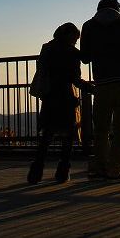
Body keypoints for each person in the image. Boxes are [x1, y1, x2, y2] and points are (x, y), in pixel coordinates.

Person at [80, 0, 120, 180]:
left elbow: (85, 58)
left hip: (101, 85)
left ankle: (100, 168)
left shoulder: (88, 26)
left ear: (98, 9)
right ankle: (114, 170)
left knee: (101, 131)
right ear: (117, 9)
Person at [27, 22, 87, 185]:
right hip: (66, 96)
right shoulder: (72, 52)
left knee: (47, 135)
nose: (75, 41)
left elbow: (41, 70)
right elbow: (75, 78)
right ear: (70, 36)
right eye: (75, 38)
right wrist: (87, 87)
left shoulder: (47, 48)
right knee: (68, 136)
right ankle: (62, 172)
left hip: (50, 96)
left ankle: (36, 171)